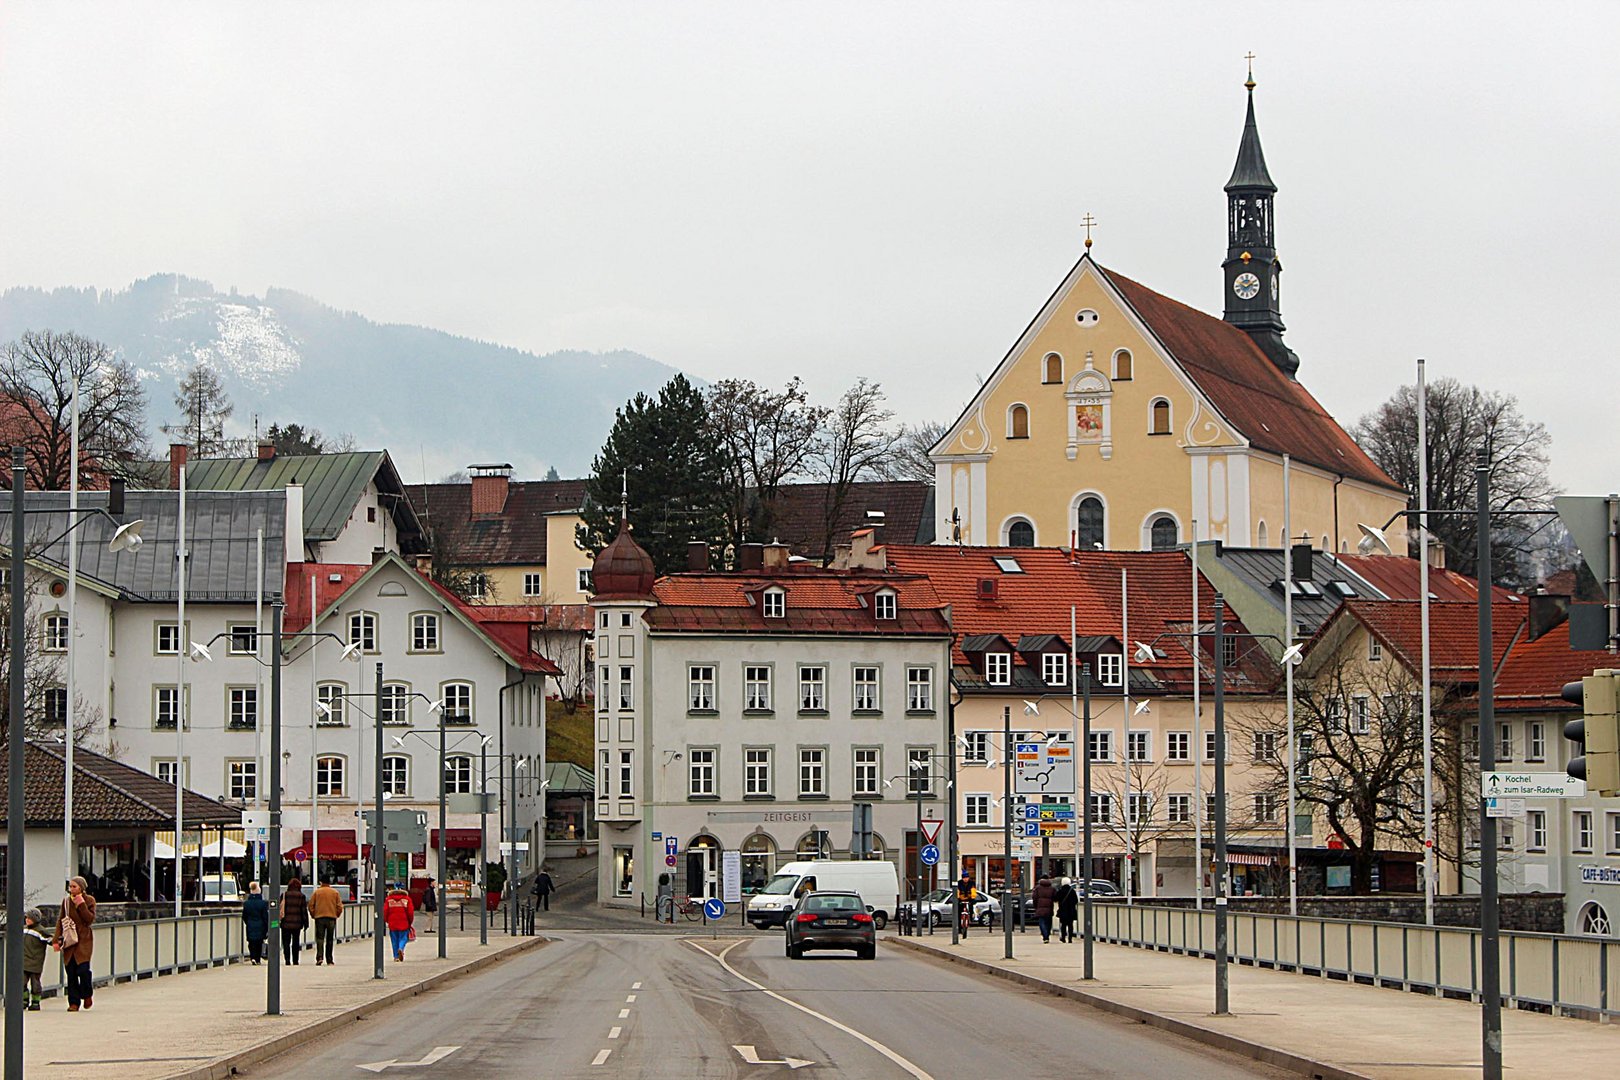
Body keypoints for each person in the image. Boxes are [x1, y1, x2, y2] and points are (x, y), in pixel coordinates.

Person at [52, 876, 96, 1010]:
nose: (71, 889)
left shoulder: (89, 900)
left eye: (74, 886)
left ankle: (87, 994)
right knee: (71, 974)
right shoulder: (66, 902)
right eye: (70, 887)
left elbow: (89, 920)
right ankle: (74, 1003)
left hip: (84, 940)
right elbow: (61, 920)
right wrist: (56, 940)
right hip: (69, 940)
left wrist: (81, 904)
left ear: (81, 888)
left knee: (83, 970)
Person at [309, 877, 344, 965]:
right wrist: (336, 914)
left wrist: (314, 915)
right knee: (330, 939)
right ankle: (329, 959)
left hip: (319, 917)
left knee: (320, 938)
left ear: (321, 882)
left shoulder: (317, 892)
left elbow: (311, 906)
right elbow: (340, 906)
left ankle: (319, 957)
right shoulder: (335, 893)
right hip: (331, 918)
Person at [21, 908, 50, 1010]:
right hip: (24, 960)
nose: (27, 920)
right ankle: (24, 1000)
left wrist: (57, 942)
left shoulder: (41, 931)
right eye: (26, 918)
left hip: (35, 961)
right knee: (22, 982)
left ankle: (35, 1001)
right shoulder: (24, 929)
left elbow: (50, 939)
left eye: (29, 918)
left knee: (35, 983)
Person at [280, 878, 308, 965]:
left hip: (285, 923)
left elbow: (280, 908)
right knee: (295, 942)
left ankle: (287, 960)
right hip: (297, 923)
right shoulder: (301, 896)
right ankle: (295, 960)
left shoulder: (284, 895)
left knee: (286, 943)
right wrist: (305, 923)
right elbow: (303, 911)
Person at [384, 882, 415, 962]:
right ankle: (401, 948)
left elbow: (385, 911)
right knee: (403, 938)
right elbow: (410, 912)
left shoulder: (389, 899)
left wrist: (387, 920)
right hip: (404, 922)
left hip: (392, 923)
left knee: (394, 940)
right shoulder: (407, 899)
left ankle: (396, 956)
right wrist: (410, 921)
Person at [242, 882, 270, 965]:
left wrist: (248, 922)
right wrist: (266, 927)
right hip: (260, 925)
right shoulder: (263, 903)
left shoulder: (247, 904)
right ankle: (257, 958)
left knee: (251, 942)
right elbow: (265, 916)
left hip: (250, 924)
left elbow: (244, 916)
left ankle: (252, 957)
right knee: (259, 942)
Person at [1032, 875, 1056, 944]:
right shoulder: (1052, 888)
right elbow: (1055, 897)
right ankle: (1047, 935)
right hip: (1049, 908)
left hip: (1040, 908)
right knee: (1048, 923)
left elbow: (1034, 898)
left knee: (1042, 922)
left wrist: (1036, 906)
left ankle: (1045, 936)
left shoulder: (1037, 888)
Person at [1055, 877, 1079, 944]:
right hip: (1071, 911)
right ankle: (1070, 938)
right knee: (1070, 925)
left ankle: (1063, 938)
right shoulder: (1072, 891)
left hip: (1063, 911)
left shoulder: (1060, 891)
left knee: (1063, 925)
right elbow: (1076, 900)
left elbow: (1056, 898)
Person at [955, 872, 977, 937]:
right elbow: (957, 891)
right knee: (959, 913)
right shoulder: (959, 883)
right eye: (964, 878)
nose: (965, 879)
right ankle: (959, 928)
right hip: (961, 899)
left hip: (969, 899)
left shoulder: (972, 883)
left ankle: (971, 917)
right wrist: (958, 899)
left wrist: (973, 899)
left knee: (970, 907)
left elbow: (973, 891)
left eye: (967, 878)